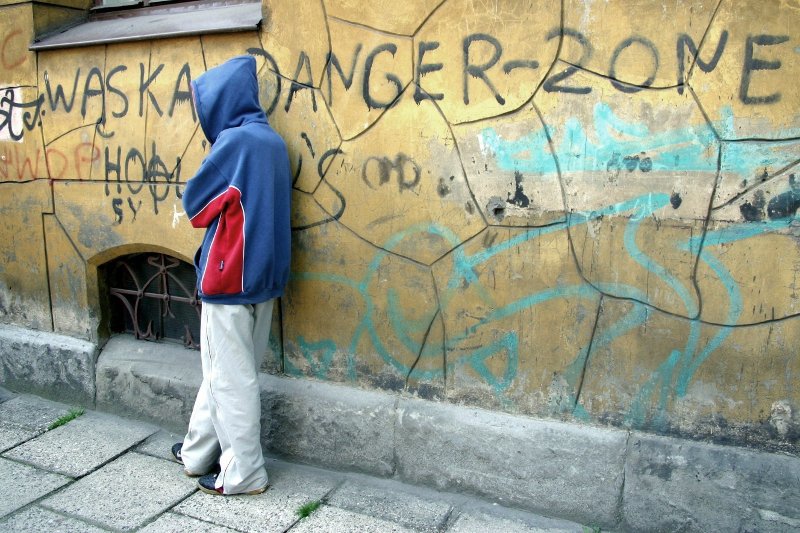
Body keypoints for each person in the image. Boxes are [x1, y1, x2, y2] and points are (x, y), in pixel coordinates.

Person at [171, 55, 291, 496]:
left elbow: (196, 207)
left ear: (220, 102)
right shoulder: (273, 142)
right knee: (228, 372)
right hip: (264, 278)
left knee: (229, 379)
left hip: (229, 279)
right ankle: (197, 452)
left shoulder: (235, 143)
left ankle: (244, 472)